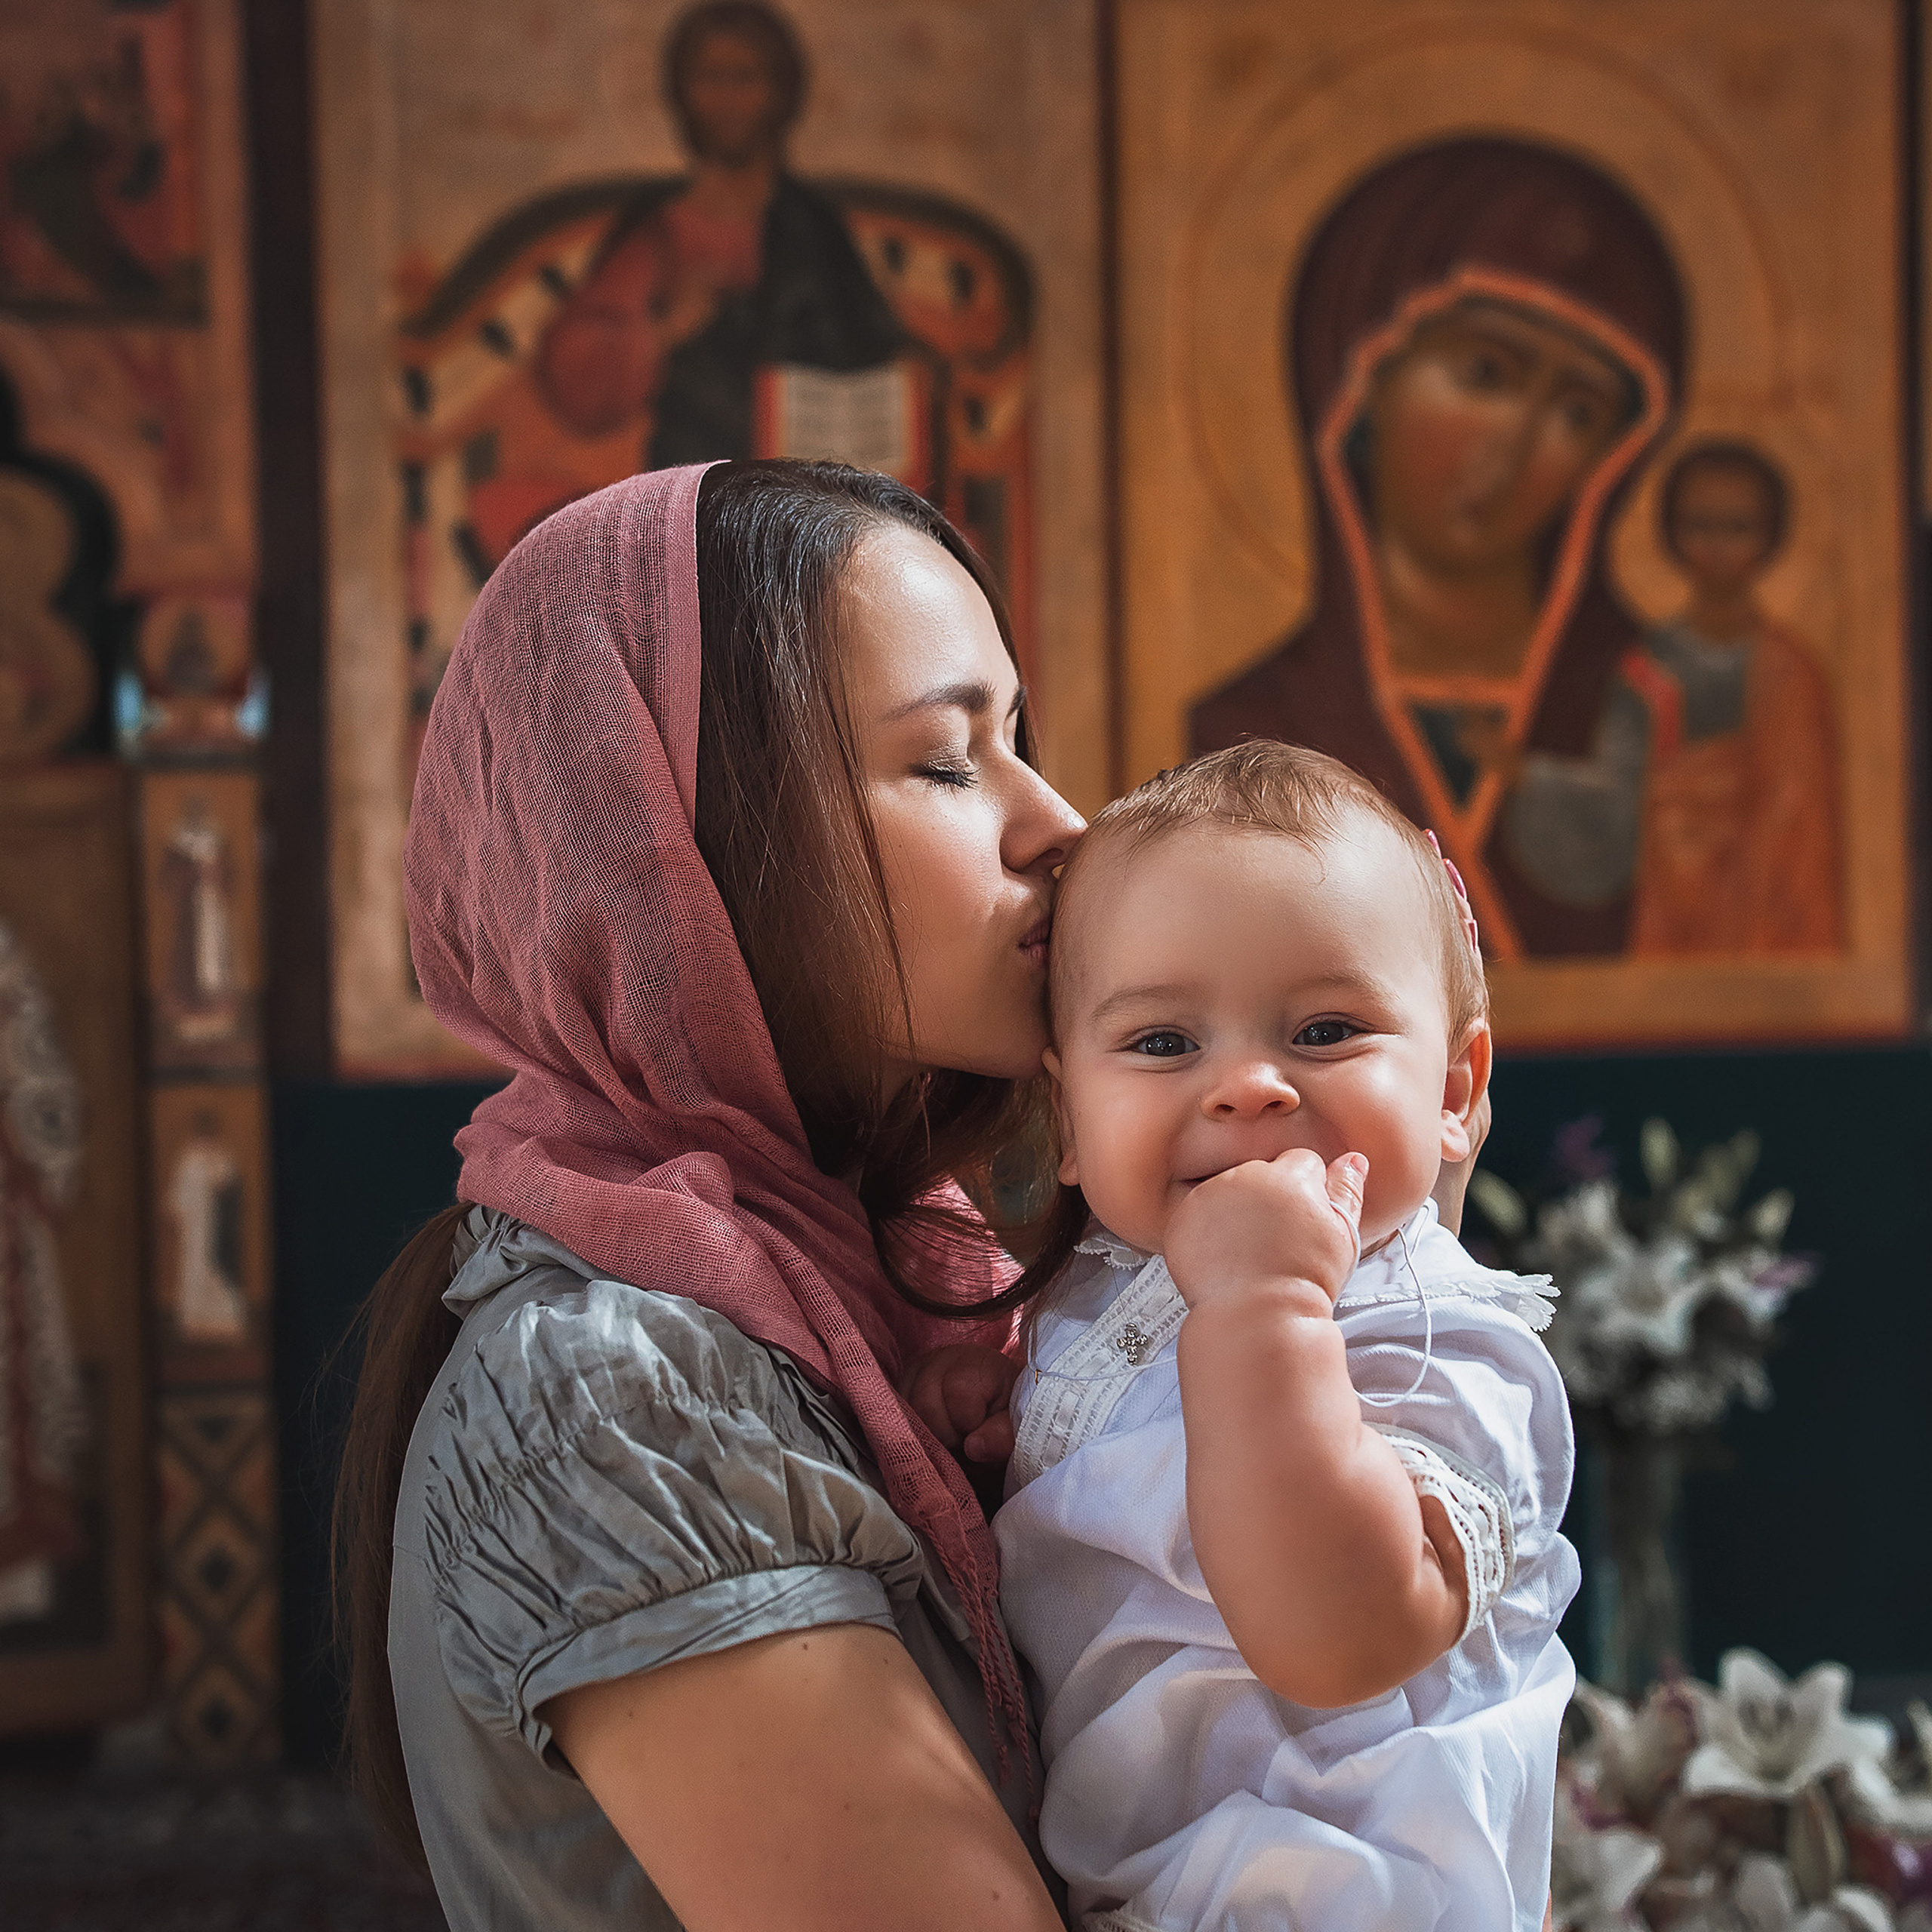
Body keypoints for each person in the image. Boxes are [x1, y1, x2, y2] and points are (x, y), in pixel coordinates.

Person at [334, 458, 1085, 1929]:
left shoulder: (891, 1287)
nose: (1057, 820)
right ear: (681, 850)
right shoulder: (622, 1398)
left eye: (1018, 742)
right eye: (948, 762)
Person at [908, 742, 1573, 1930]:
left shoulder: (1438, 1339)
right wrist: (1014, 1418)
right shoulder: (1102, 1294)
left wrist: (1267, 1310)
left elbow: (1338, 1638)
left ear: (1454, 1093)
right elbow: (1131, 1496)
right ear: (1068, 1119)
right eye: (1164, 1043)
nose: (1250, 1086)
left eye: (1327, 1029)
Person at [1189, 138, 1687, 961]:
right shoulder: (1245, 723)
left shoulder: (1653, 703)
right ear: (1359, 376)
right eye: (1486, 373)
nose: (1515, 447)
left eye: (1577, 412)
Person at [533, 1, 903, 466]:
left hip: (802, 481)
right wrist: (666, 329)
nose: (727, 99)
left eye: (744, 78)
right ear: (682, 92)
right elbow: (574, 369)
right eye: (710, 78)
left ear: (779, 92)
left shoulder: (813, 225)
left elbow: (875, 349)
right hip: (692, 479)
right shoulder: (659, 230)